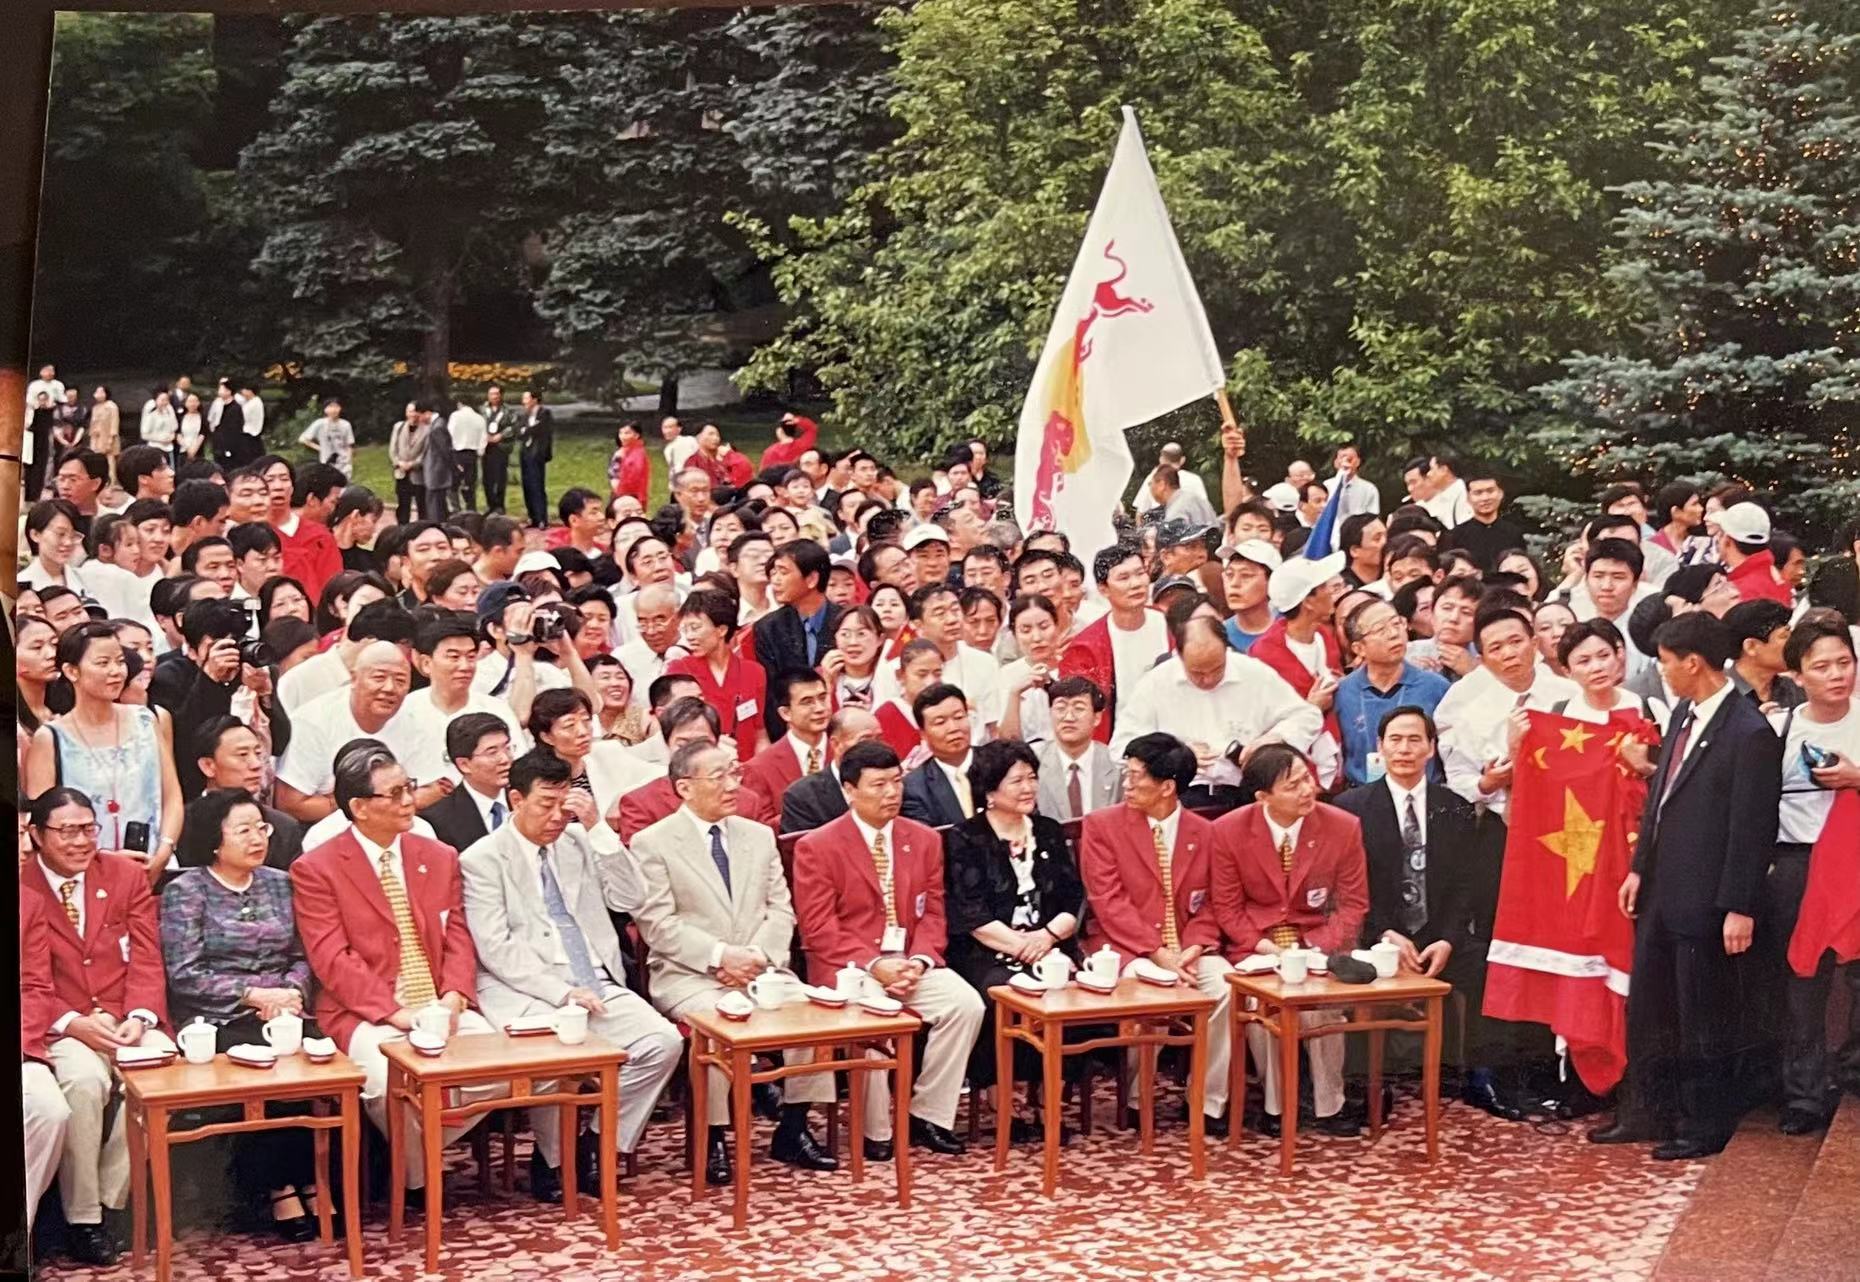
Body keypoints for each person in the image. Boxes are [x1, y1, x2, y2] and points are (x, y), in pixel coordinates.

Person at [1599, 613, 1782, 1159]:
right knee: (1651, 1007)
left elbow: (1752, 826)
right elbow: (1661, 798)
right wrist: (1638, 866)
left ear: (1693, 663)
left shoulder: (1749, 732)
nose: (1663, 672)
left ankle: (1704, 1123)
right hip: (1662, 889)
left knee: (1701, 1012)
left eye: (1667, 663)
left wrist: (1739, 906)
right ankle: (1647, 1111)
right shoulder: (1683, 714)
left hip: (1709, 898)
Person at [457, 748, 680, 1194]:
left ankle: (598, 1143)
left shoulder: (579, 841)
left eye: (566, 804)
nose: (558, 816)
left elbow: (631, 898)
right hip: (524, 986)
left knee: (663, 1043)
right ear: (516, 800)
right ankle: (551, 1160)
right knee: (559, 1050)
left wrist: (598, 830)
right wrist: (561, 993)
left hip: (592, 976)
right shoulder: (482, 859)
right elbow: (497, 949)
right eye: (546, 804)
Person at [289, 740, 506, 1187]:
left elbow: (458, 935)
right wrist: (398, 1014)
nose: (410, 800)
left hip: (441, 1003)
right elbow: (332, 958)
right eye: (395, 793)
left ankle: (409, 1156)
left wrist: (452, 997)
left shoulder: (438, 855)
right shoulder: (317, 868)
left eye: (409, 787)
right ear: (359, 807)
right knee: (391, 1081)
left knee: (504, 1067)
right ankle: (416, 1181)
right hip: (368, 1011)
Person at [631, 740, 838, 1183]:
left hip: (761, 967)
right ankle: (714, 1136)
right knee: (721, 1022)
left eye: (735, 774)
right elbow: (658, 925)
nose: (733, 785)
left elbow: (782, 909)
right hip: (689, 974)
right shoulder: (652, 843)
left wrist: (758, 957)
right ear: (684, 787)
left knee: (811, 1015)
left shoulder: (757, 835)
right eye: (719, 777)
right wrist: (721, 957)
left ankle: (795, 1125)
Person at [791, 741, 984, 1159]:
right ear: (849, 790)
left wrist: (918, 959)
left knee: (966, 1004)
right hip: (850, 965)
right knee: (876, 1013)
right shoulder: (818, 846)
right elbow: (819, 928)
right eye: (878, 785)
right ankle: (874, 1130)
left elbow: (934, 912)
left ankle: (929, 1115)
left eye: (896, 782)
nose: (891, 793)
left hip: (911, 959)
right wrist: (876, 964)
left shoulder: (925, 838)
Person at [1334, 709, 1515, 1119]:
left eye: (1415, 740)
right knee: (1354, 970)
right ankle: (1366, 1084)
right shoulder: (1350, 807)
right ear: (1379, 747)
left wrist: (1448, 938)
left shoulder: (1455, 807)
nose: (1404, 749)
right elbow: (1348, 889)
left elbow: (1465, 886)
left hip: (1436, 934)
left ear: (1432, 749)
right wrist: (1383, 936)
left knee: (1485, 964)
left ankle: (1479, 1075)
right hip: (1377, 935)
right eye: (1395, 739)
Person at [22, 787, 174, 1266]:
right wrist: (71, 1022)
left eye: (88, 829)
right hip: (61, 1021)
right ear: (36, 835)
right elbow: (30, 981)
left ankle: (109, 1202)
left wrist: (140, 1015)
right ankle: (82, 1220)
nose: (81, 841)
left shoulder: (126, 876)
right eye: (67, 831)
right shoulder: (23, 887)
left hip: (123, 1011)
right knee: (84, 1081)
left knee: (160, 1071)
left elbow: (147, 954)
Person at [162, 788, 319, 1239]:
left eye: (262, 827)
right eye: (243, 830)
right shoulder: (186, 891)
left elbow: (303, 954)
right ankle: (280, 1188)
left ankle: (313, 1180)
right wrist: (253, 995)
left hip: (285, 1008)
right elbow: (185, 974)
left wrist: (290, 990)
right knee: (261, 1065)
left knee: (316, 1058)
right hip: (218, 1016)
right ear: (215, 839)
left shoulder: (280, 882)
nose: (257, 838)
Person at [1076, 732, 1233, 1132]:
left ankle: (1208, 1101)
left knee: (1226, 990)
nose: (1126, 784)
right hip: (1125, 946)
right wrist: (1158, 952)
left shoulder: (1206, 832)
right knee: (1154, 987)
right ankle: (1135, 1097)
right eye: (1125, 774)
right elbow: (1108, 902)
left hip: (1188, 947)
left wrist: (1193, 946)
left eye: (1136, 777)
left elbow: (1214, 901)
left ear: (1168, 787)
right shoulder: (1102, 826)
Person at [1211, 745, 1368, 1137]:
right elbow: (1228, 909)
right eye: (1292, 785)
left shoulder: (1343, 826)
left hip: (1317, 940)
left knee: (1320, 1006)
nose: (1306, 790)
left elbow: (1352, 905)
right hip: (1258, 944)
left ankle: (1330, 1105)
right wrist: (1270, 950)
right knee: (1259, 1005)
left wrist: (1312, 950)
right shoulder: (1228, 830)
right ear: (1262, 797)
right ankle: (1276, 1104)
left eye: (1306, 778)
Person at [943, 739, 1087, 1108]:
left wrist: (1048, 937)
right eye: (1017, 781)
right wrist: (1024, 947)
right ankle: (1003, 1096)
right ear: (990, 790)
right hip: (988, 949)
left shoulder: (1049, 831)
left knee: (1073, 988)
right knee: (1003, 994)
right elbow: (970, 913)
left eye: (1032, 778)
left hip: (1049, 943)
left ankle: (1049, 1095)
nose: (1028, 788)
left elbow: (1074, 897)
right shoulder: (965, 837)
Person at [1763, 622, 1860, 1135]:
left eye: (1844, 662)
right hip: (1799, 861)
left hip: (1858, 859)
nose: (1836, 675)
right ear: (1797, 675)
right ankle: (1803, 1092)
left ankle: (1853, 1070)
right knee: (1803, 977)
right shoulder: (1778, 729)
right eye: (1821, 667)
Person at [25, 623, 184, 880]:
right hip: (83, 874)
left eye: (119, 661)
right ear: (71, 671)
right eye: (102, 663)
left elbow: (171, 796)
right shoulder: (52, 738)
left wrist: (165, 849)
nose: (115, 671)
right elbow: (43, 824)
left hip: (154, 866)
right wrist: (102, 859)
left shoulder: (145, 720)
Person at [1115, 614, 1322, 806]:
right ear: (1178, 655)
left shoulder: (1254, 673)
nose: (1208, 679)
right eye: (1197, 673)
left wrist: (1273, 739)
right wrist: (1175, 757)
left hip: (1244, 792)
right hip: (1178, 796)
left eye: (1216, 669)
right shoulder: (1155, 683)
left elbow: (1308, 716)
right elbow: (1121, 747)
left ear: (1226, 650)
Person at [1436, 602, 1579, 820]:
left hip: (1571, 812)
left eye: (1516, 642)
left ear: (1534, 644)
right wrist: (1488, 783)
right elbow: (1458, 777)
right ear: (1482, 660)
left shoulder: (1571, 694)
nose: (1509, 653)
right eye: (1496, 648)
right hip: (1502, 821)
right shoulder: (1467, 707)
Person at [1334, 598, 1451, 787]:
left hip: (1424, 795)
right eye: (1381, 630)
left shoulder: (1436, 687)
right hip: (1362, 800)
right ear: (1359, 648)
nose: (1394, 634)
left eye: (1397, 623)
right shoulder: (1342, 693)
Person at [1061, 542, 1169, 743]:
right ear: (1103, 589)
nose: (1136, 583)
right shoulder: (1087, 646)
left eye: (1140, 573)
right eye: (1123, 578)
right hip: (1119, 746)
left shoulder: (1171, 624)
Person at [749, 540, 842, 740]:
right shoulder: (768, 628)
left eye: (783, 572)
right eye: (773, 573)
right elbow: (773, 697)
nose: (775, 581)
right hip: (791, 735)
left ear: (811, 579)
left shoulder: (846, 622)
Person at [667, 588, 769, 764]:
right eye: (686, 629)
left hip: (747, 768)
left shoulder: (754, 672)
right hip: (701, 767)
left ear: (721, 630)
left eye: (696, 628)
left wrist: (762, 768)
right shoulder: (679, 670)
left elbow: (760, 733)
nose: (689, 636)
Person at [21, 892, 72, 1239]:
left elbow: (35, 986)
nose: (25, 847)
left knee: (49, 1110)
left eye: (25, 833)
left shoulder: (27, 902)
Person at [418, 713, 515, 854]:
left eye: (507, 748)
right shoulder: (438, 821)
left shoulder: (528, 797)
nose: (505, 759)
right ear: (464, 765)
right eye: (492, 752)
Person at [780, 707, 883, 834]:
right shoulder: (802, 796)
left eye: (878, 738)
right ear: (836, 744)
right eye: (865, 740)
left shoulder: (894, 786)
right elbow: (801, 849)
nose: (875, 747)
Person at [1035, 677, 1121, 821]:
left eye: (1079, 708)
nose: (1068, 717)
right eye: (1060, 708)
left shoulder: (1115, 762)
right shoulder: (1034, 762)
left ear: (1097, 717)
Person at [742, 669, 833, 803]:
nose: (820, 708)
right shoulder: (759, 768)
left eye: (822, 698)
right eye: (807, 702)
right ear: (785, 713)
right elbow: (761, 821)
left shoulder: (845, 752)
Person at [899, 683, 977, 827]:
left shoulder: (999, 763)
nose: (953, 728)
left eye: (959, 717)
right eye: (940, 722)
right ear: (923, 734)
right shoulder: (913, 788)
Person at [1438, 466, 1524, 572]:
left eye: (1490, 491)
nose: (1485, 498)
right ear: (1468, 498)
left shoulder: (1513, 533)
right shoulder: (1454, 536)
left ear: (1500, 494)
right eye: (1478, 493)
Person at [1714, 501, 1791, 606]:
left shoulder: (1736, 591)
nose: (1717, 539)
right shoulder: (1775, 575)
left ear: (1727, 540)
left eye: (1719, 533)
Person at [480, 385, 519, 515]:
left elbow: (513, 426)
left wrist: (500, 436)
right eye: (491, 394)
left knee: (500, 477)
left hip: (501, 447)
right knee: (487, 478)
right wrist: (484, 436)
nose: (494, 397)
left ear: (501, 395)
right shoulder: (483, 409)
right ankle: (490, 504)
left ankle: (499, 505)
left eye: (496, 394)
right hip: (486, 447)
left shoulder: (508, 410)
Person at [518, 389, 554, 528]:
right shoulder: (525, 415)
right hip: (526, 453)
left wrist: (527, 430)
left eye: (526, 399)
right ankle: (532, 517)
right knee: (527, 485)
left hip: (537, 453)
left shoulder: (544, 414)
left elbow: (540, 430)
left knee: (537, 485)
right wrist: (527, 430)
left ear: (534, 400)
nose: (523, 402)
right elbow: (519, 431)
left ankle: (542, 518)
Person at [388, 403, 427, 526]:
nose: (413, 415)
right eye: (410, 411)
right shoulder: (398, 427)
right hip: (401, 473)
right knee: (403, 504)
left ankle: (421, 528)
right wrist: (398, 462)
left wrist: (413, 464)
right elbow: (393, 448)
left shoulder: (427, 430)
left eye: (415, 412)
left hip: (418, 474)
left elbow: (425, 453)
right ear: (406, 413)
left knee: (422, 505)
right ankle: (402, 530)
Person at [446, 396, 486, 509]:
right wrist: (480, 452)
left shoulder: (455, 416)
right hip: (472, 454)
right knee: (470, 484)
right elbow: (483, 438)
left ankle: (456, 509)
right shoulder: (479, 418)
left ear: (460, 403)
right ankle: (471, 509)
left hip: (457, 453)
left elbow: (450, 433)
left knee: (453, 485)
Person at [298, 399, 355, 478]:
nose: (334, 409)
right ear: (325, 409)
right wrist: (319, 448)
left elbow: (349, 445)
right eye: (331, 406)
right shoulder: (320, 423)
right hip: (327, 463)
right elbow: (303, 439)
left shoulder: (345, 424)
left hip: (343, 464)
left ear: (340, 408)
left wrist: (349, 462)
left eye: (336, 406)